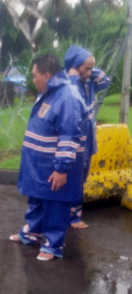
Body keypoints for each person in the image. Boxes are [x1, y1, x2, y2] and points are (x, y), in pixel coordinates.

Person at [9, 54, 86, 261]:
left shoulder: (67, 96)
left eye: (35, 76)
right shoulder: (48, 93)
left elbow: (69, 135)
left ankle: (53, 245)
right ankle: (31, 233)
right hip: (39, 164)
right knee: (37, 199)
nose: (32, 80)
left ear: (46, 75)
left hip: (55, 165)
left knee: (55, 203)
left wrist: (61, 169)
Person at [64, 45, 112, 229]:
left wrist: (88, 68)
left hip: (88, 137)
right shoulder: (69, 83)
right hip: (74, 139)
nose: (91, 72)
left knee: (81, 177)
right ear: (75, 67)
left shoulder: (89, 82)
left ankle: (70, 212)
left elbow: (105, 81)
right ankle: (72, 216)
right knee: (72, 177)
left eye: (92, 68)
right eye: (87, 68)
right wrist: (75, 74)